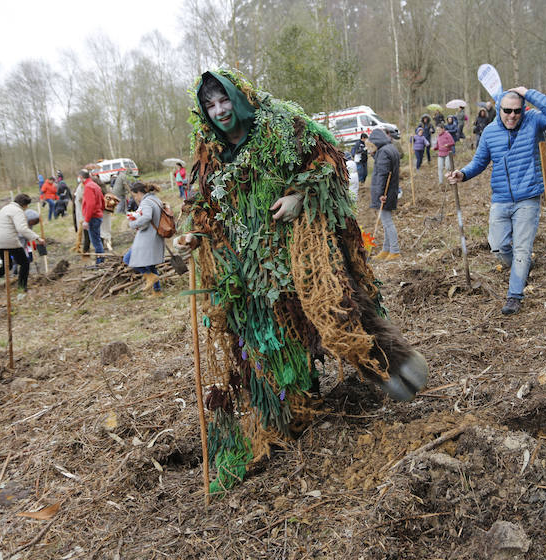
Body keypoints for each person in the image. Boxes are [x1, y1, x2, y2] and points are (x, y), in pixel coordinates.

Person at [178, 69, 427, 489]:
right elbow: (201, 205)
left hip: (301, 252)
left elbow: (330, 162)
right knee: (270, 340)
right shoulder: (211, 155)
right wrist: (195, 234)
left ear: (238, 97)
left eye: (224, 100)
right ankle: (295, 410)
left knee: (336, 310)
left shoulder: (280, 125)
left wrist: (298, 197)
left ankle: (394, 366)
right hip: (252, 272)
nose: (219, 111)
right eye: (210, 105)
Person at [446, 86, 546, 315]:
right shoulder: (489, 133)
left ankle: (514, 296)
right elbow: (479, 161)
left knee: (522, 248)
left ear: (523, 110)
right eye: (507, 110)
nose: (512, 115)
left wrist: (527, 91)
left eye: (517, 111)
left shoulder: (534, 123)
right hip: (501, 198)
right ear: (499, 109)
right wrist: (463, 173)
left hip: (528, 197)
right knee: (498, 246)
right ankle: (522, 267)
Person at [0, 194, 43, 296]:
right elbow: (22, 229)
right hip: (8, 240)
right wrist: (37, 238)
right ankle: (22, 289)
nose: (27, 208)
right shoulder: (18, 211)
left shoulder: (5, 208)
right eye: (27, 205)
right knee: (25, 263)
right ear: (24, 204)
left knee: (7, 266)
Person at [123, 182, 165, 295]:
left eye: (134, 195)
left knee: (127, 259)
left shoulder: (146, 202)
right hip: (155, 236)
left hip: (147, 237)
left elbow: (147, 216)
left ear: (139, 192)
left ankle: (150, 277)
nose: (135, 198)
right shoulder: (155, 199)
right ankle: (157, 292)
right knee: (150, 264)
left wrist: (133, 224)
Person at [369, 128, 402, 261]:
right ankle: (386, 249)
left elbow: (382, 175)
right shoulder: (389, 148)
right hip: (391, 191)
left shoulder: (383, 153)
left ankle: (395, 251)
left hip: (385, 193)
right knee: (386, 221)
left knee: (387, 222)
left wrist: (380, 194)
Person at [79, 170, 105, 265]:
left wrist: (86, 220)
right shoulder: (95, 185)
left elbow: (90, 204)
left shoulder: (88, 187)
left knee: (96, 241)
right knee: (97, 239)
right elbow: (102, 200)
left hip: (93, 217)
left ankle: (100, 262)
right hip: (97, 215)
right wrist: (100, 211)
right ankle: (101, 260)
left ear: (81, 177)